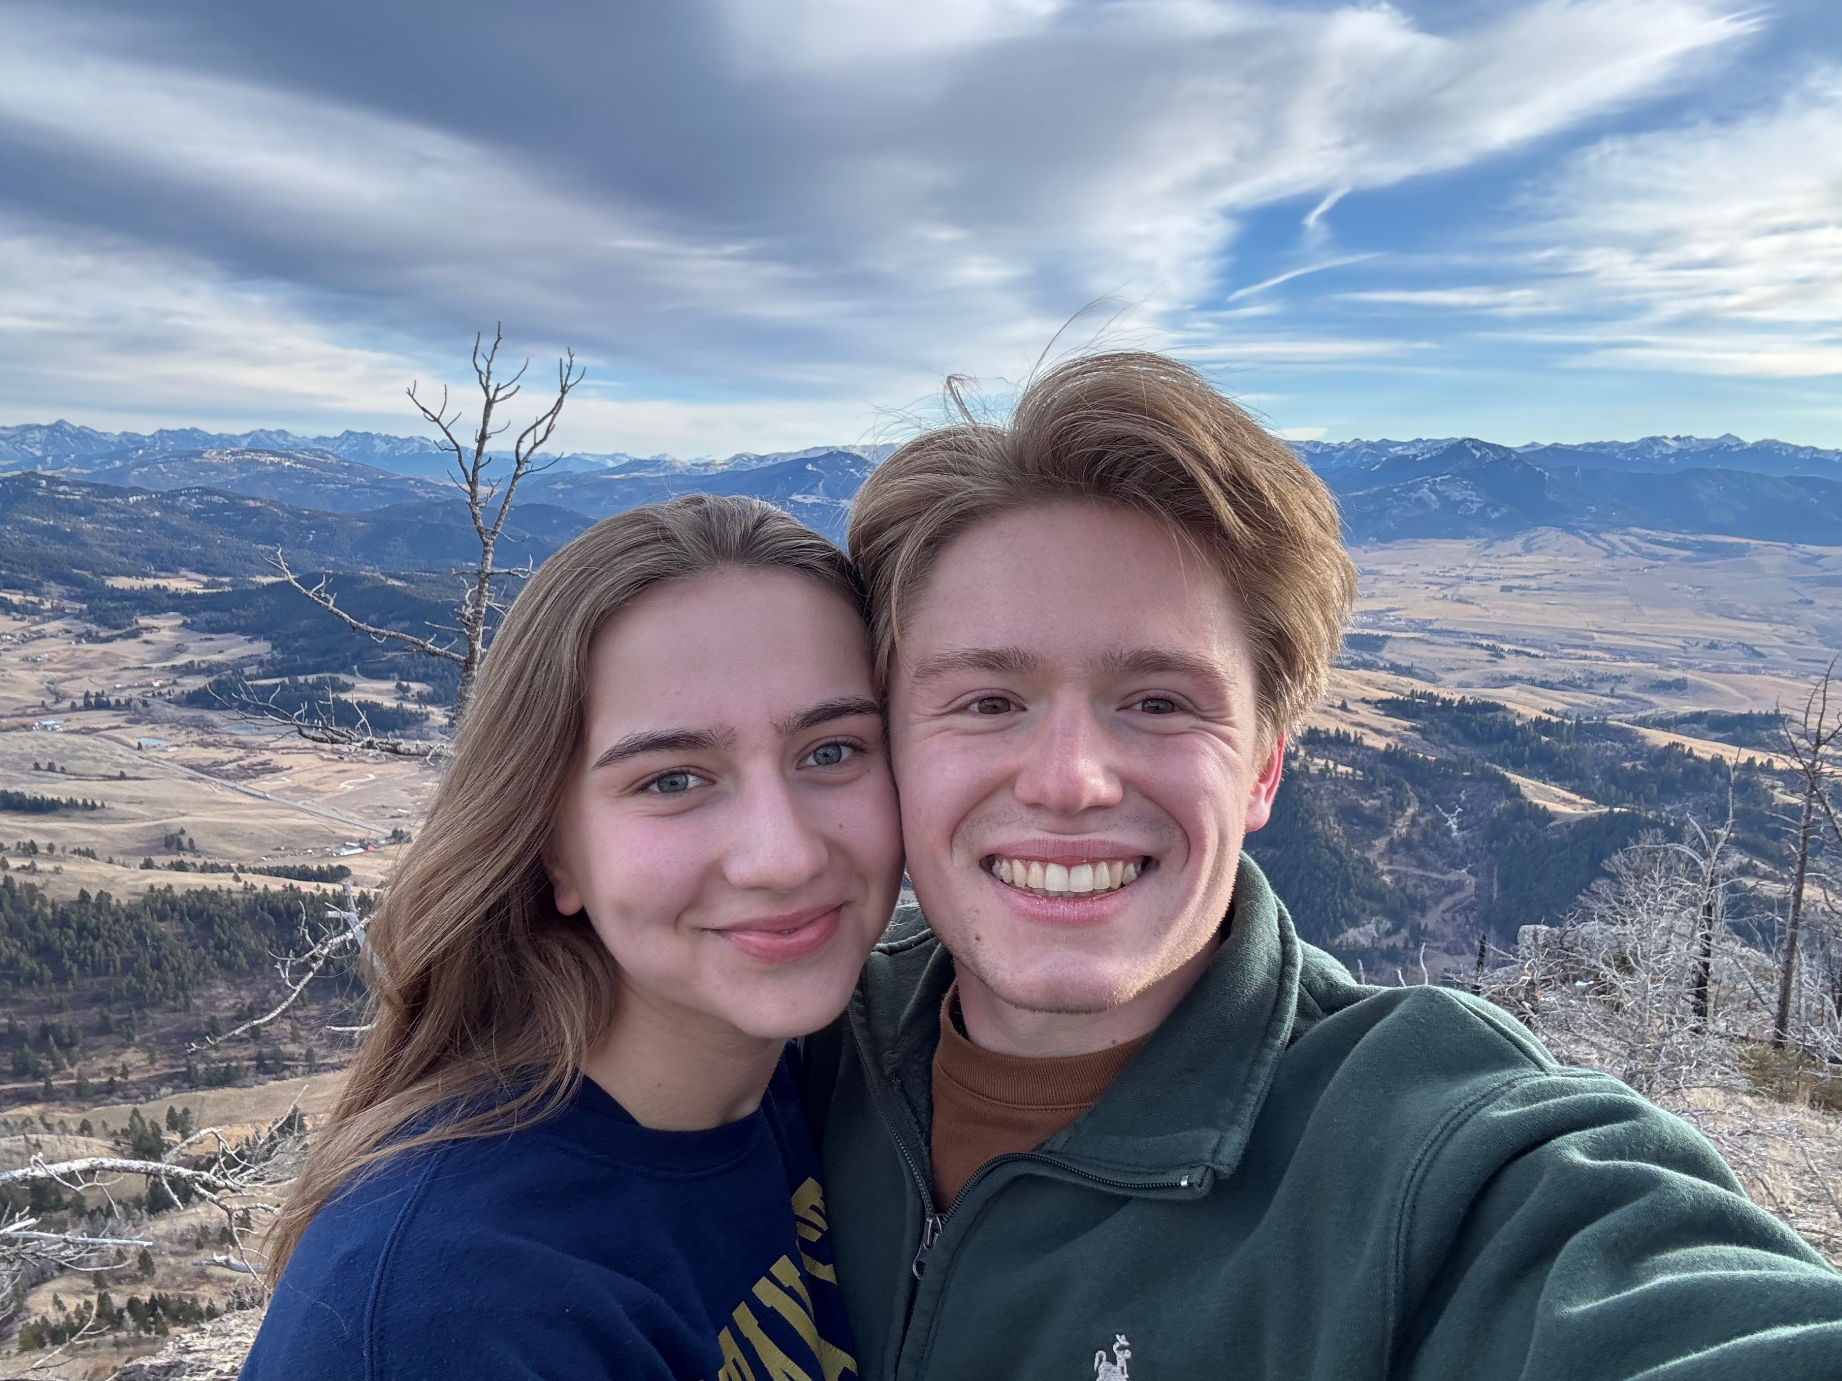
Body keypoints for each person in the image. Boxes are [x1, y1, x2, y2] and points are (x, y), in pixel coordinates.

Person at [805, 353, 1842, 1379]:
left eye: (1159, 701)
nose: (1069, 781)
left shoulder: (1431, 1162)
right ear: (894, 747)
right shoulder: (792, 1038)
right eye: (988, 702)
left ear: (1263, 768)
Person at [244, 494, 899, 1380]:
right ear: (552, 848)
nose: (783, 857)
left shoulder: (818, 1079)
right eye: (673, 779)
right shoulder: (446, 1319)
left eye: (831, 750)